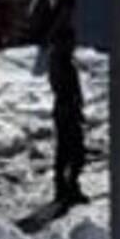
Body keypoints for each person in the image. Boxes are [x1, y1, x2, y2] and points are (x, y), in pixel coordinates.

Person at [47, 15, 87, 207]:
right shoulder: (62, 62)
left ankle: (64, 186)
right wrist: (75, 105)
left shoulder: (59, 59)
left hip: (65, 109)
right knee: (74, 151)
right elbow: (66, 88)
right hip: (67, 109)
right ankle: (69, 186)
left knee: (64, 150)